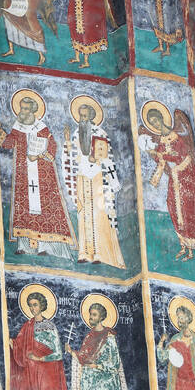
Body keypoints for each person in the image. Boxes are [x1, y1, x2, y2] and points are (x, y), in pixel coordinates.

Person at [1, 92, 75, 258]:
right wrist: (2, 135)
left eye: (27, 109)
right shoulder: (17, 127)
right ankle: (25, 246)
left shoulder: (42, 128)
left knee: (45, 208)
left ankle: (45, 246)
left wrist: (40, 156)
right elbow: (8, 143)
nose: (23, 112)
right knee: (24, 207)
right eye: (22, 108)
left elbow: (52, 146)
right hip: (23, 174)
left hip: (42, 174)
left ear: (34, 111)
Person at [61, 97, 124, 268]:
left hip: (97, 178)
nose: (83, 119)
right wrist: (67, 142)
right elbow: (71, 157)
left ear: (92, 116)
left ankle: (99, 252)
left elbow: (107, 157)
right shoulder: (76, 134)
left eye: (86, 116)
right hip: (82, 178)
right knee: (83, 214)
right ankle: (84, 252)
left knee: (98, 214)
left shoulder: (101, 134)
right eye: (81, 116)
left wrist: (96, 159)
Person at [138, 104, 195, 262]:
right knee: (173, 207)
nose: (155, 124)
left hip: (185, 179)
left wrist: (171, 159)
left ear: (162, 119)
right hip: (173, 180)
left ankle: (192, 247)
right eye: (152, 123)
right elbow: (161, 158)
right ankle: (183, 245)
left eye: (156, 121)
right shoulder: (161, 140)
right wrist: (154, 153)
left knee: (187, 209)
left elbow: (187, 157)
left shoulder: (177, 137)